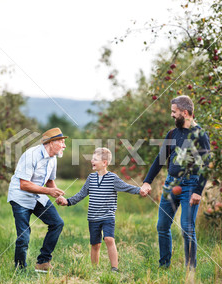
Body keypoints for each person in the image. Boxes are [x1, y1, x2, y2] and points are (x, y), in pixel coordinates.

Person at [140, 95, 210, 270]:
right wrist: (147, 181)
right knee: (162, 226)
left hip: (190, 185)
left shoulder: (200, 135)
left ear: (185, 113)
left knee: (187, 228)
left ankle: (190, 269)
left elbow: (206, 165)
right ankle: (164, 265)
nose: (171, 115)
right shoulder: (172, 133)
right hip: (170, 185)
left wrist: (197, 192)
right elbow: (160, 159)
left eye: (174, 112)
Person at [56, 147, 144, 272]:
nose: (92, 161)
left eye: (95, 159)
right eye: (92, 158)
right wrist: (67, 201)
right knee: (95, 244)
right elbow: (81, 194)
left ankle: (114, 268)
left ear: (104, 163)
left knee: (109, 239)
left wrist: (139, 190)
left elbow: (126, 187)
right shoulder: (91, 178)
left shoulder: (113, 178)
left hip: (107, 216)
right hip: (93, 217)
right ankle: (94, 269)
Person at [7, 127, 67, 273]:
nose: (64, 146)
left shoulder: (53, 159)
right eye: (61, 142)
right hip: (20, 197)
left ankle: (43, 262)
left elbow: (50, 182)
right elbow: (24, 184)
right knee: (24, 237)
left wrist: (58, 195)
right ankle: (19, 270)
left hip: (38, 197)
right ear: (51, 143)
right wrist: (49, 191)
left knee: (57, 223)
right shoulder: (31, 155)